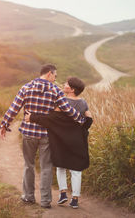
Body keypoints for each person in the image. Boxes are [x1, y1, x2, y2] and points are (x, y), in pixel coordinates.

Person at [0, 65, 84, 209]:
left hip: (28, 133)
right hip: (47, 135)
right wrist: (80, 119)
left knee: (28, 166)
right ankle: (45, 201)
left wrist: (4, 125)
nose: (55, 80)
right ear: (50, 74)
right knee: (46, 168)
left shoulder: (26, 87)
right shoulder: (56, 91)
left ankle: (28, 197)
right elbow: (67, 109)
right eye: (55, 76)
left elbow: (14, 107)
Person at [25, 77, 92, 209]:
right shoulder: (83, 103)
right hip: (77, 141)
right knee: (76, 170)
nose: (64, 84)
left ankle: (63, 194)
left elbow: (51, 119)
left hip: (61, 141)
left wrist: (32, 117)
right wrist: (80, 131)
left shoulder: (62, 102)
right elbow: (89, 120)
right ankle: (75, 199)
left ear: (72, 89)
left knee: (61, 167)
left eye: (67, 84)